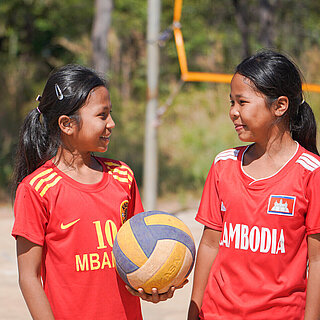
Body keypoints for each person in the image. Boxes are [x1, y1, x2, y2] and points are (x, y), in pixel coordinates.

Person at [11, 64, 179, 320]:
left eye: (111, 113)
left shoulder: (122, 176)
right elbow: (29, 277)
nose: (112, 123)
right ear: (67, 124)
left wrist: (150, 285)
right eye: (102, 116)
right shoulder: (37, 189)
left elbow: (140, 252)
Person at [188, 50, 320, 320]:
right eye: (231, 102)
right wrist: (194, 312)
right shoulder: (223, 165)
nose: (233, 112)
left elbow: (317, 261)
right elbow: (210, 245)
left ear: (279, 106)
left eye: (242, 102)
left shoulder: (311, 173)